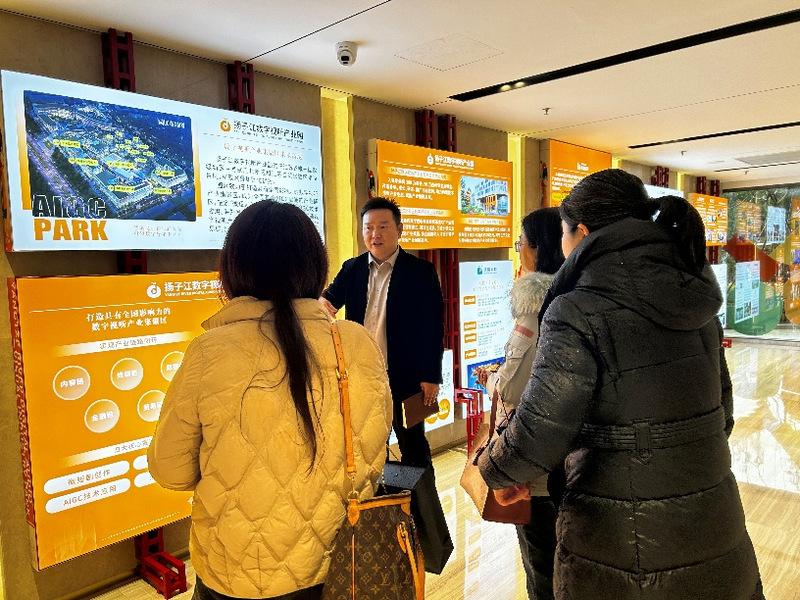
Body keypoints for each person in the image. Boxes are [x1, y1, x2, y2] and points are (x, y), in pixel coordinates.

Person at [478, 170, 764, 600]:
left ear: (582, 234)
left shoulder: (575, 310)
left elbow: (540, 431)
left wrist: (495, 469)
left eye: (564, 233)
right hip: (713, 522)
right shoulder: (693, 298)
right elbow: (721, 416)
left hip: (618, 542)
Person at [147, 200, 392, 600]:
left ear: (232, 269)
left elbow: (170, 471)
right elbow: (376, 444)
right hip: (345, 566)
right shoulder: (357, 342)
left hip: (239, 577)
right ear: (316, 265)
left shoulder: (209, 353)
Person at [474, 207, 564, 600]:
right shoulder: (573, 301)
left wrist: (491, 379)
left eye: (521, 243)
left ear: (538, 249)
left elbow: (512, 389)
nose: (519, 250)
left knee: (541, 566)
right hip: (567, 460)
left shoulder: (534, 311)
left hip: (535, 469)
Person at [320, 197, 444, 468]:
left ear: (399, 230)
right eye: (369, 228)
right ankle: (382, 493)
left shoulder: (421, 272)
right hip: (363, 375)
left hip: (408, 378)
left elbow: (433, 326)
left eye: (383, 227)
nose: (375, 234)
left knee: (412, 443)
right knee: (371, 442)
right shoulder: (352, 269)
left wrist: (431, 375)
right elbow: (327, 302)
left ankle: (414, 494)